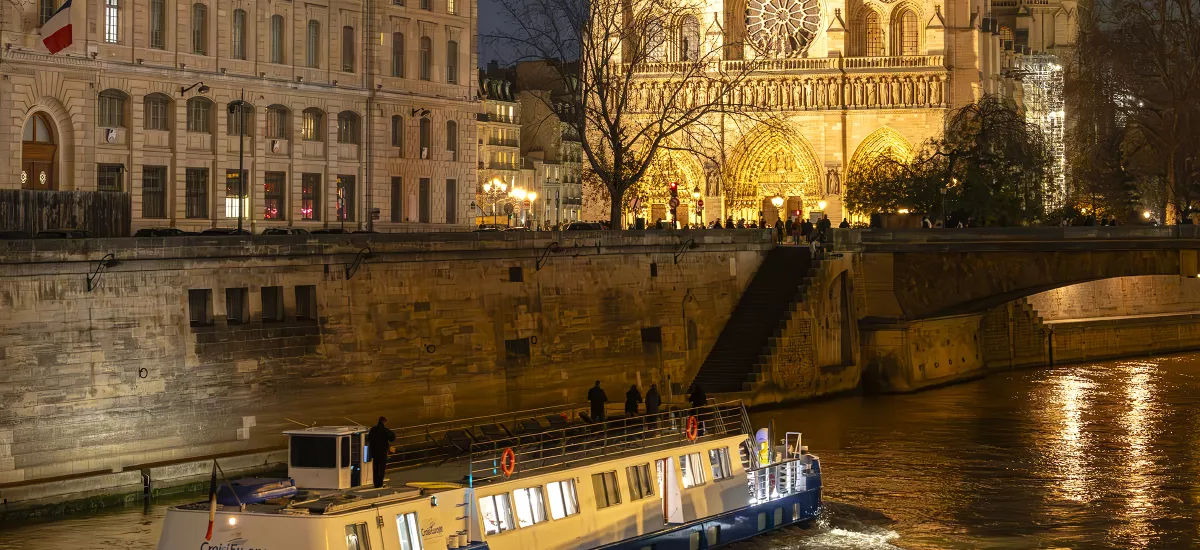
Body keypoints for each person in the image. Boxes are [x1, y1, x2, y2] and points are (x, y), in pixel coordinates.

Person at [367, 416, 396, 488]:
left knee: (375, 468)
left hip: (374, 452)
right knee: (381, 468)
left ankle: (375, 483)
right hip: (382, 452)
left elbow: (368, 439)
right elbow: (392, 438)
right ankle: (380, 483)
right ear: (384, 421)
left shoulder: (373, 430)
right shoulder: (385, 430)